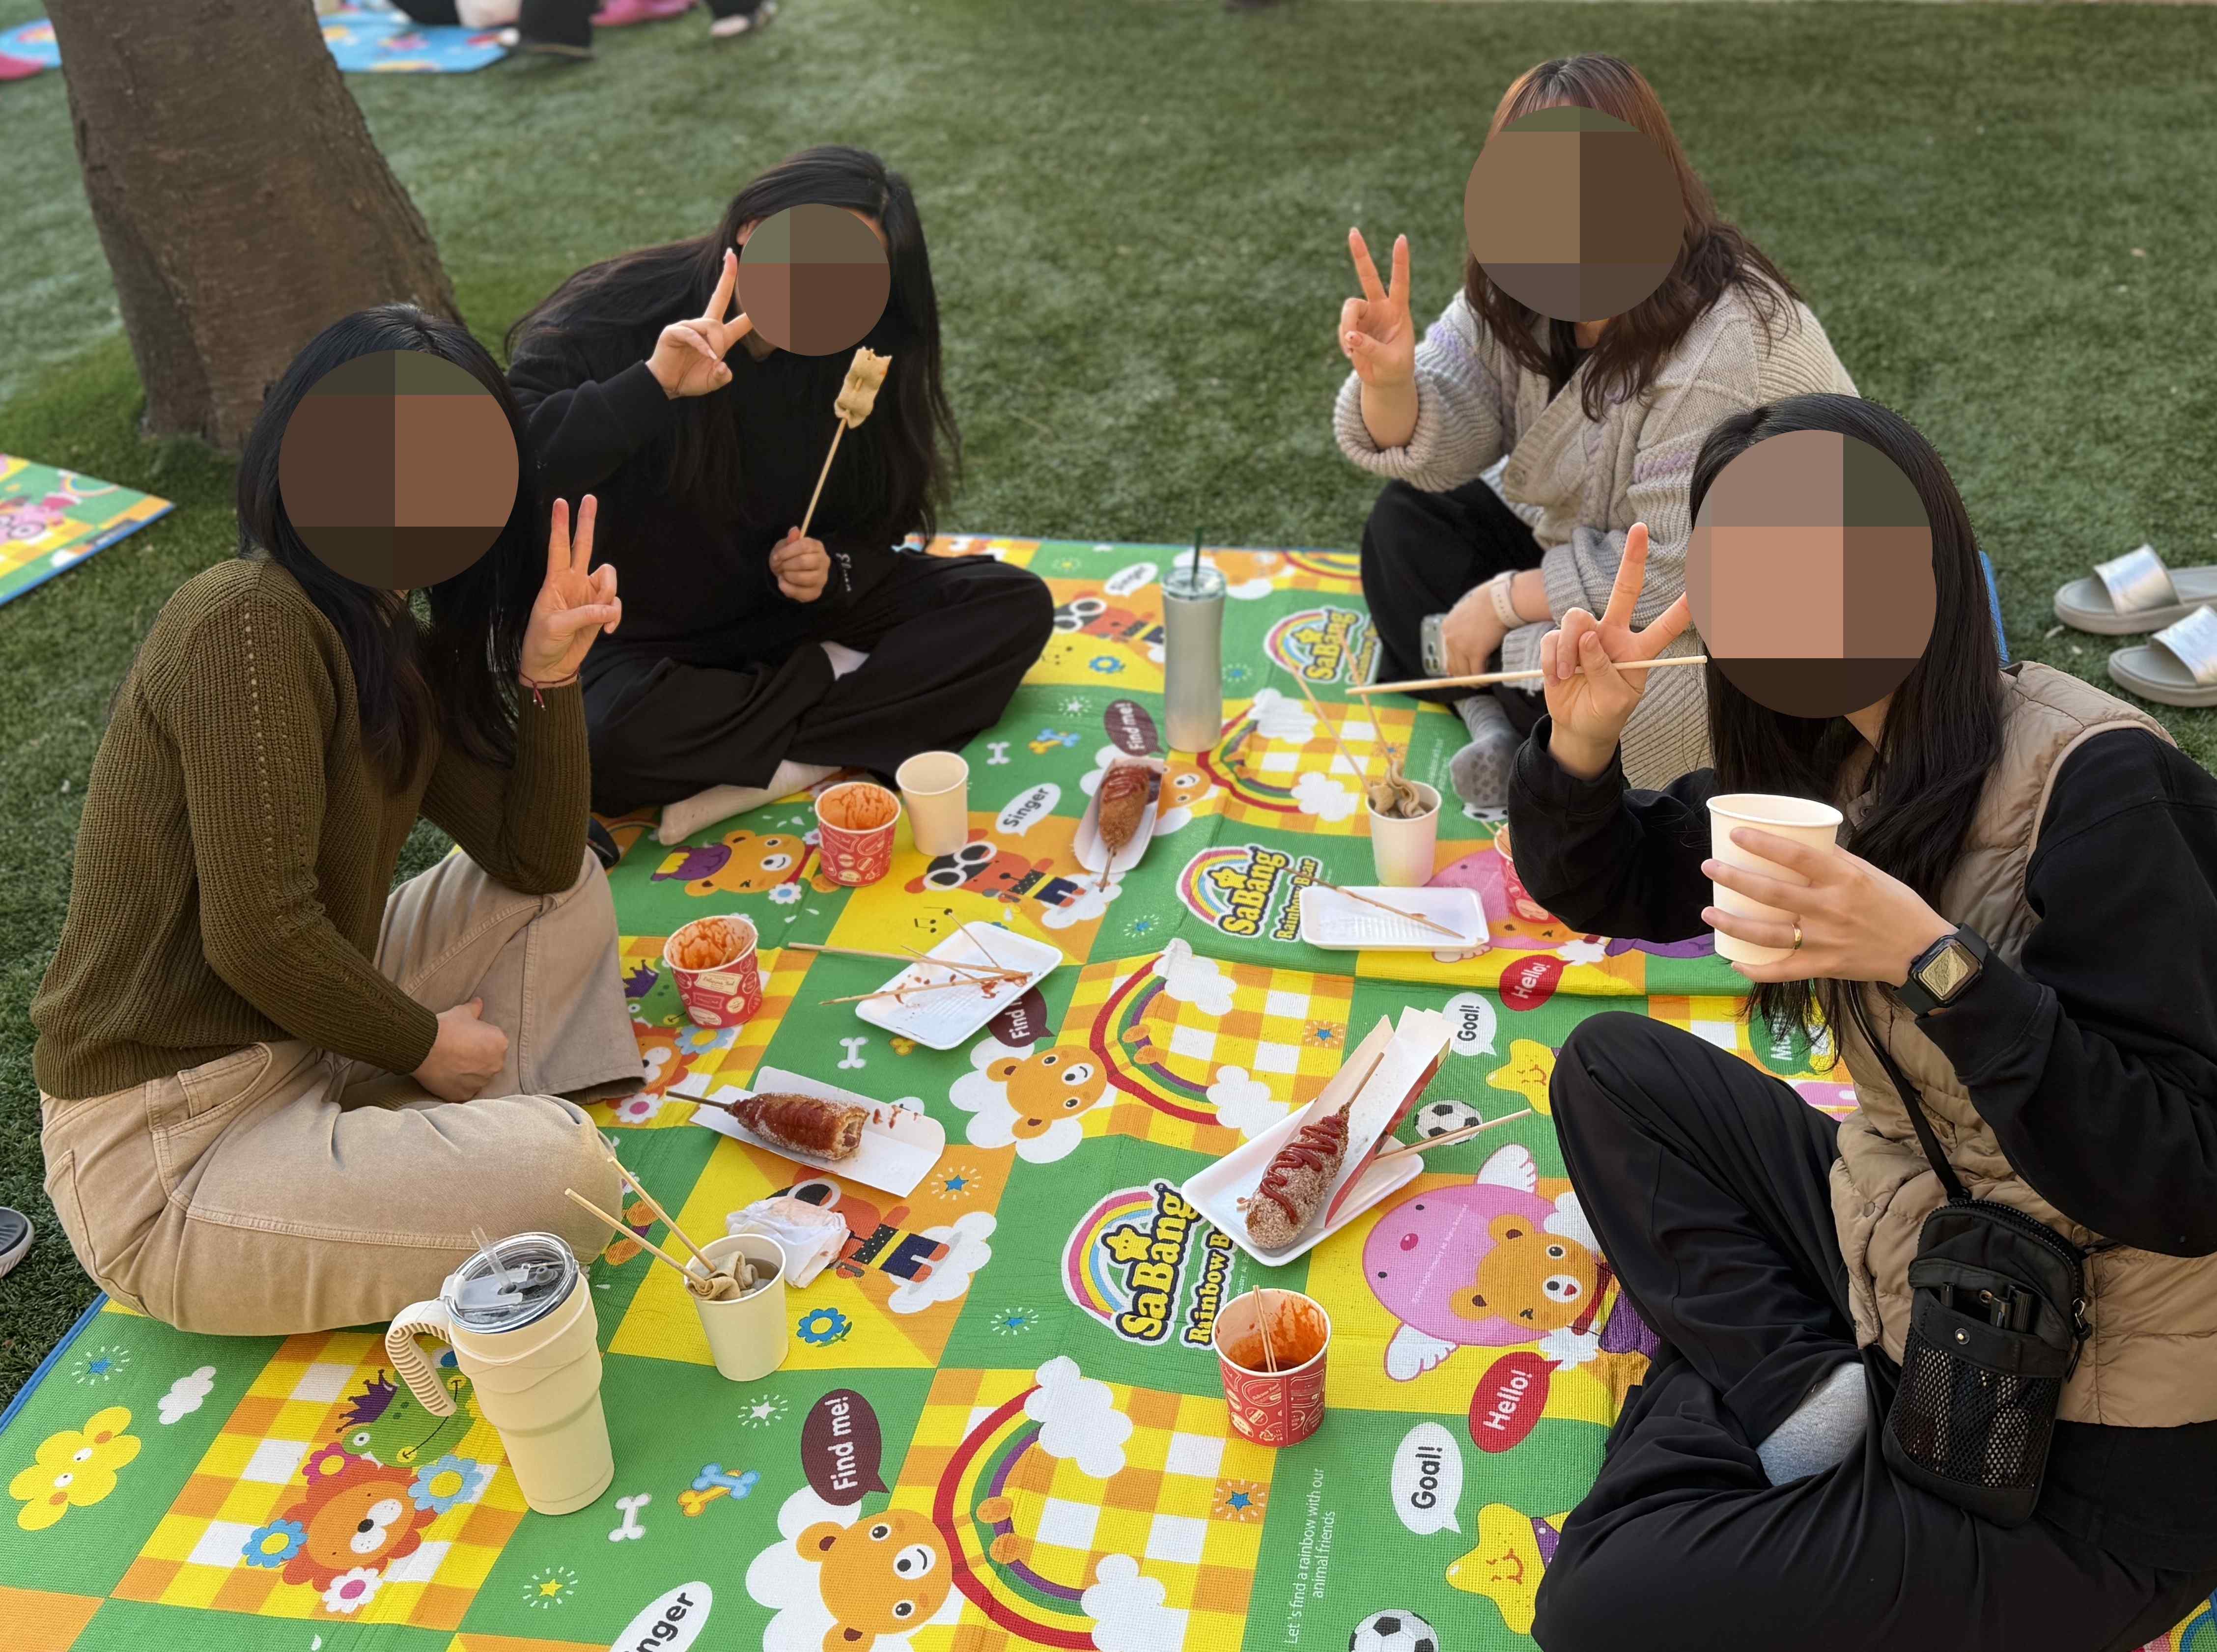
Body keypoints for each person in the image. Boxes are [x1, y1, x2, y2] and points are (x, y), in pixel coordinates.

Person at [1502, 394, 2217, 1650]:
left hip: (2095, 1439)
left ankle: (1769, 1382)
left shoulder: (2094, 785)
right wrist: (1579, 751)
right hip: (1918, 1253)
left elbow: (2185, 1175)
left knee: (1598, 1604)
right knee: (1611, 1071)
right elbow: (1623, 878)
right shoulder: (1837, 761)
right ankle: (1804, 1385)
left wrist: (1934, 965)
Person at [30, 307, 637, 1337]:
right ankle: (452, 1143)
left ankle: (414, 1152)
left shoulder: (385, 631)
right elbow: (258, 934)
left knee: (570, 882)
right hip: (171, 1149)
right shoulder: (246, 618)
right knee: (568, 1177)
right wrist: (426, 1045)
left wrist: (550, 676)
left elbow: (534, 861)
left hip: (307, 1041)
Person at [1335, 53, 1856, 809]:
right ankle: (1496, 716)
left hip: (1766, 610)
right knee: (1408, 525)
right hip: (1608, 554)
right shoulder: (1513, 289)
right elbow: (1444, 437)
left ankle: (1514, 707)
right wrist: (1390, 383)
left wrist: (1504, 602)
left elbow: (1690, 567)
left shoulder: (1724, 344)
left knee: (1641, 697)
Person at [506, 145, 1053, 842]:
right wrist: (652, 385)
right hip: (640, 638)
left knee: (1011, 607)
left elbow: (876, 523)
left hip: (785, 615)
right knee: (605, 746)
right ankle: (835, 706)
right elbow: (516, 469)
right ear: (751, 226)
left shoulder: (859, 352)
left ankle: (778, 760)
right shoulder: (611, 314)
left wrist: (831, 568)